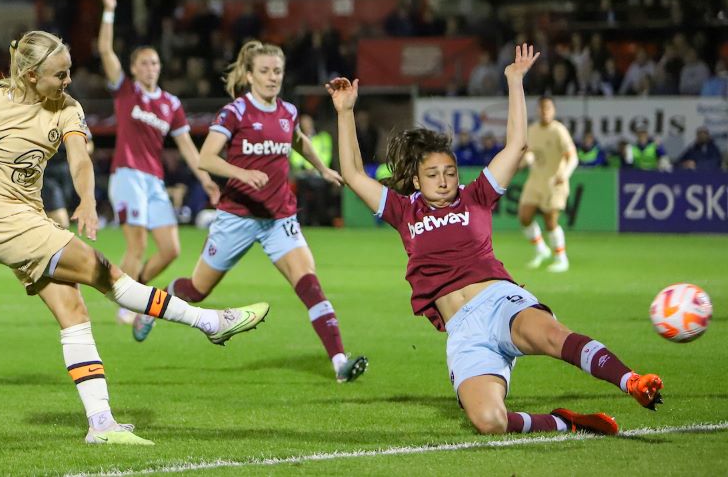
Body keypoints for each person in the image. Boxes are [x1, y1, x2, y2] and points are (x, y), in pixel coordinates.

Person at [326, 44, 663, 437]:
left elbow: (517, 146)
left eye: (449, 172)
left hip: (501, 302)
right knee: (490, 422)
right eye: (433, 174)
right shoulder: (405, 212)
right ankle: (564, 422)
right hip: (463, 332)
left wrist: (515, 82)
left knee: (553, 336)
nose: (443, 180)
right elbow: (351, 173)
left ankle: (632, 382)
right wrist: (346, 112)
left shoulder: (476, 196)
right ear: (417, 181)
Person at [0, 30, 270, 445]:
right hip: (5, 223)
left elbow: (80, 158)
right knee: (107, 273)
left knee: (74, 312)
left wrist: (86, 200)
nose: (68, 81)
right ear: (30, 75)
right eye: (59, 75)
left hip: (29, 219)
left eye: (69, 73)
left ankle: (100, 424)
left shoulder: (67, 109)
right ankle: (210, 321)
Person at [157, 39, 368, 383]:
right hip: (236, 218)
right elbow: (206, 158)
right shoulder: (235, 112)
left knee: (311, 285)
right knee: (196, 291)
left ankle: (339, 362)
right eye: (265, 71)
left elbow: (297, 139)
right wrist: (241, 173)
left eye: (278, 72)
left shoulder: (287, 112)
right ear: (250, 75)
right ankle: (159, 300)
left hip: (279, 219)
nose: (272, 78)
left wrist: (322, 169)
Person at [98, 0, 221, 325]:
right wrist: (109, 10)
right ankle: (127, 302)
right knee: (136, 247)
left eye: (154, 63)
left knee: (171, 250)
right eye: (144, 63)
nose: (151, 68)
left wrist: (207, 180)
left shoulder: (171, 104)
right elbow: (106, 51)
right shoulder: (125, 91)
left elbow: (187, 148)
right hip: (127, 175)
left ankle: (130, 291)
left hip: (154, 180)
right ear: (135, 68)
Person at [517, 96, 578, 272]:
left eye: (548, 108)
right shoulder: (533, 130)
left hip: (554, 181)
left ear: (553, 111)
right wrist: (525, 160)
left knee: (550, 221)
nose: (545, 112)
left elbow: (572, 156)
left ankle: (561, 258)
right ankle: (541, 249)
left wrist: (565, 174)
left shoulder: (559, 130)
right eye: (542, 108)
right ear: (538, 110)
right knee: (524, 216)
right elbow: (527, 154)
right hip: (535, 180)